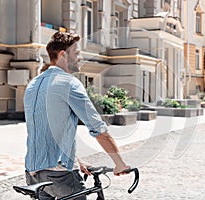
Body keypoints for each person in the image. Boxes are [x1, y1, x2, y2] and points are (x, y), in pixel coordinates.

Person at [24, 31, 130, 200]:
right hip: (59, 177)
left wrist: (76, 161)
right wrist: (120, 164)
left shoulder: (33, 84)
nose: (80, 57)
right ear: (63, 55)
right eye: (77, 53)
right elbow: (98, 130)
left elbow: (48, 132)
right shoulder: (69, 83)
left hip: (33, 173)